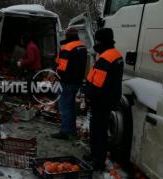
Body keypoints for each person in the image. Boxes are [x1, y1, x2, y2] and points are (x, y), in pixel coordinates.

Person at [85, 28, 124, 171]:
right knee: (99, 128)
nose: (96, 43)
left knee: (98, 130)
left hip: (101, 101)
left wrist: (89, 97)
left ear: (101, 41)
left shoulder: (106, 58)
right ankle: (95, 154)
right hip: (108, 99)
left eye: (97, 40)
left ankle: (98, 160)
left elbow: (97, 85)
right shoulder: (115, 54)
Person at [51, 28, 87, 140]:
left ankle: (65, 132)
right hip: (77, 82)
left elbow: (62, 68)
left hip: (66, 82)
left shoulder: (67, 48)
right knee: (71, 107)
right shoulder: (82, 46)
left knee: (65, 107)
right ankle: (72, 130)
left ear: (67, 36)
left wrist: (55, 77)